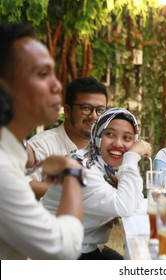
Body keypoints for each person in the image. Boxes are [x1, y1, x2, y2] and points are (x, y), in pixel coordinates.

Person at [0, 23, 84, 259]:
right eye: (42, 74)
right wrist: (72, 173)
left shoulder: (15, 151)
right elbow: (63, 249)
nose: (57, 86)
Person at [41, 108, 152, 260]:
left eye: (127, 138)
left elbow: (135, 201)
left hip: (83, 247)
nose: (118, 143)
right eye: (110, 134)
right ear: (97, 135)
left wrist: (128, 165)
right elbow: (125, 206)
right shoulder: (80, 167)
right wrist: (131, 157)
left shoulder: (106, 167)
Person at [26, 77, 108, 199]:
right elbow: (21, 183)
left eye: (100, 110)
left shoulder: (104, 148)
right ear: (68, 111)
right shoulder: (41, 145)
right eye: (86, 108)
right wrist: (73, 192)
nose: (94, 116)